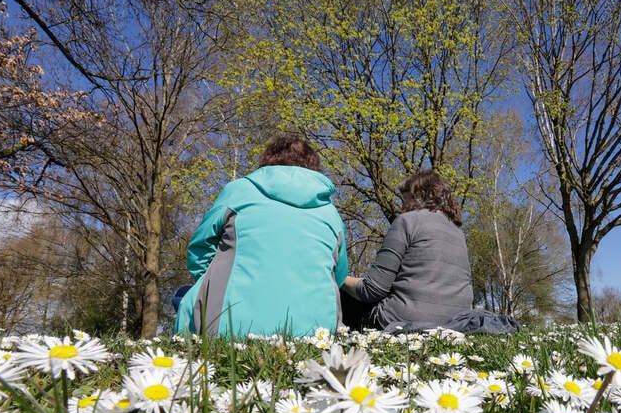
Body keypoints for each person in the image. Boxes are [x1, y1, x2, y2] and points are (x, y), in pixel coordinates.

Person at [174, 135, 348, 337]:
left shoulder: (238, 191)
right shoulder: (330, 212)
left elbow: (200, 249)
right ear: (313, 168)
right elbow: (339, 276)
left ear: (268, 161)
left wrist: (214, 283)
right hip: (315, 336)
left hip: (229, 329)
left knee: (183, 297)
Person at [341, 170, 473, 330]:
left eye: (405, 200)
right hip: (456, 323)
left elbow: (372, 289)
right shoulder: (458, 232)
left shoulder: (407, 221)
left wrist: (340, 278)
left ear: (420, 196)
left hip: (404, 321)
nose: (402, 207)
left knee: (343, 292)